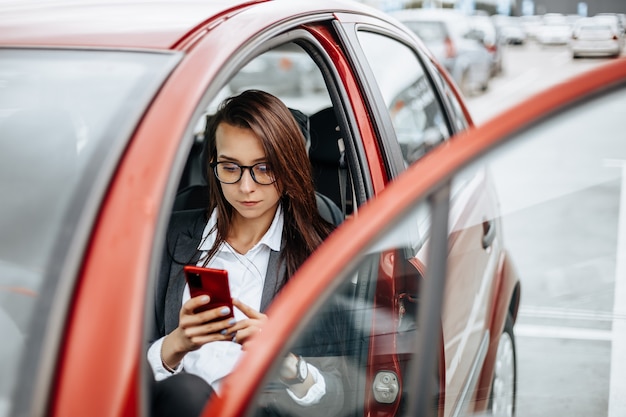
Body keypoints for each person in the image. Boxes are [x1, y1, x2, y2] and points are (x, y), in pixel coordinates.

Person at [147, 90, 346, 416]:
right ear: (212, 164)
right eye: (230, 167)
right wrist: (175, 346)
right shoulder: (167, 237)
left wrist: (284, 362)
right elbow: (117, 358)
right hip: (174, 406)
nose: (246, 186)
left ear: (288, 165)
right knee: (187, 391)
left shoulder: (321, 254)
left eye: (264, 167)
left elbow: (339, 394)